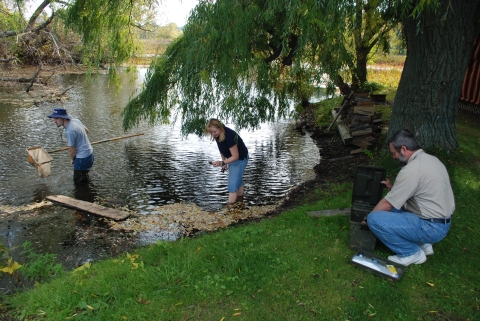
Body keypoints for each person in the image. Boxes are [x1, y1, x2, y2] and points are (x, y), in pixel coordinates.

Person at [366, 129, 455, 266]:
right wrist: (392, 188)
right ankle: (424, 243)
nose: (393, 157)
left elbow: (388, 204)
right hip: (441, 221)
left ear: (403, 149)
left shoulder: (412, 169)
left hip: (430, 226)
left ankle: (411, 253)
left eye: (394, 153)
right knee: (396, 208)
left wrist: (367, 220)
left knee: (375, 219)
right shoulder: (432, 160)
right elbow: (420, 192)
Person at [205, 118, 249, 205]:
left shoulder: (229, 136)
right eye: (211, 132)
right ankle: (240, 203)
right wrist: (224, 162)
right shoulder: (218, 135)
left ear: (220, 127)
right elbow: (221, 149)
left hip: (240, 159)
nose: (213, 134)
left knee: (232, 186)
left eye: (214, 131)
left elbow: (236, 156)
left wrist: (222, 163)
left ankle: (229, 210)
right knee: (238, 181)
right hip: (231, 158)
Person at [47, 108, 94, 184]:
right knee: (84, 177)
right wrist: (79, 141)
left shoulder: (69, 131)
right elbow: (86, 131)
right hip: (90, 154)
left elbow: (72, 151)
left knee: (78, 183)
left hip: (82, 159)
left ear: (63, 118)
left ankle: (82, 195)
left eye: (57, 118)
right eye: (54, 118)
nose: (54, 121)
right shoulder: (76, 121)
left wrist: (72, 159)